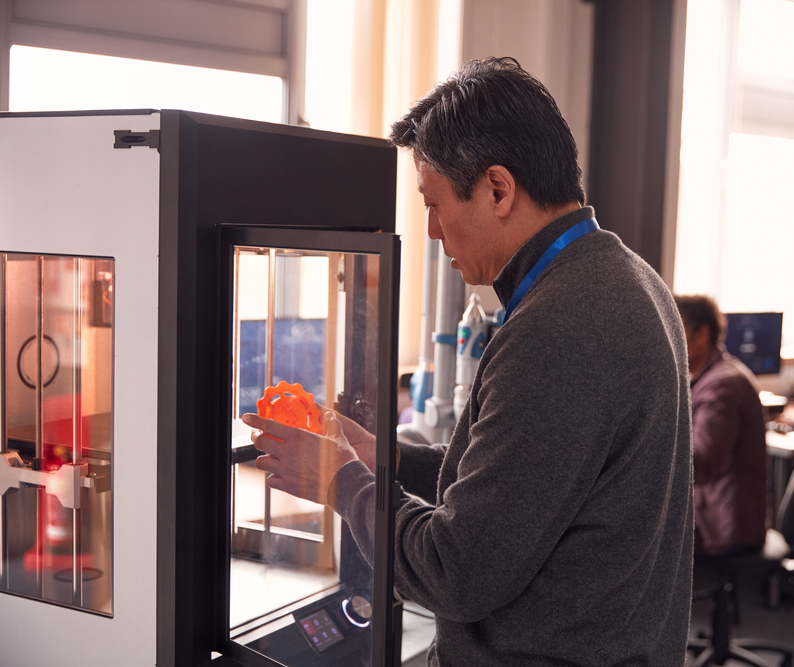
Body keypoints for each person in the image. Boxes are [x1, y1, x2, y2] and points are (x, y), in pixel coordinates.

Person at [242, 57, 694, 666]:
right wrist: (388, 458)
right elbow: (526, 489)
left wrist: (340, 481)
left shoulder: (561, 327)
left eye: (433, 204)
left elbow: (457, 573)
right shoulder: (628, 279)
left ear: (498, 189)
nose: (431, 231)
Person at [674, 295, 766, 557]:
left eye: (675, 330)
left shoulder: (722, 385)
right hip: (715, 512)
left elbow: (702, 463)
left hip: (723, 525)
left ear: (701, 335)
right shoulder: (710, 376)